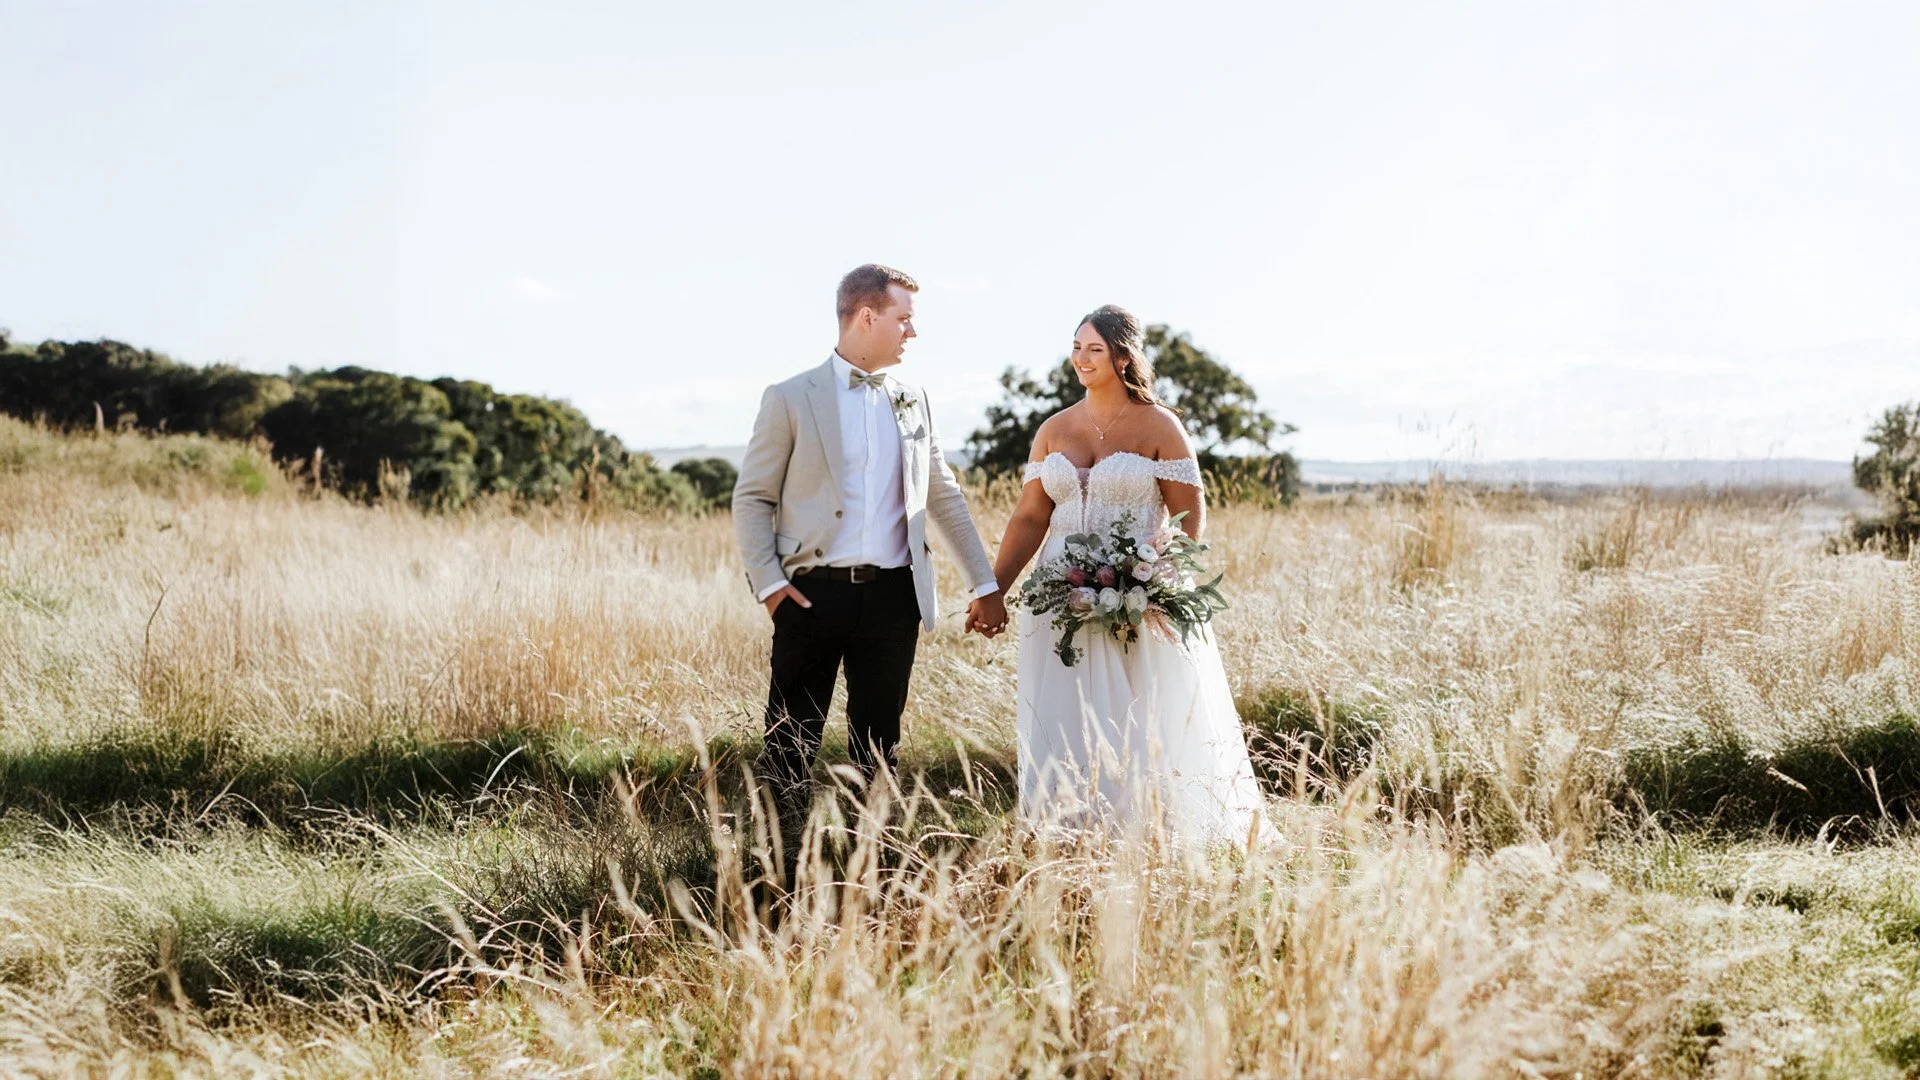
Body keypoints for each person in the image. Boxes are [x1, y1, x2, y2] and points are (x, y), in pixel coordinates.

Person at [989, 304, 1278, 848]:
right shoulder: (1053, 429)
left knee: (1141, 713)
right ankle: (1069, 834)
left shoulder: (1160, 425)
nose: (1081, 359)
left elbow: (1190, 517)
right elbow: (1030, 516)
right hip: (1060, 595)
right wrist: (994, 590)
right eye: (1076, 347)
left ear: (1123, 357)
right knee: (1065, 710)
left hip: (1140, 594)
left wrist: (1152, 579)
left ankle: (1150, 836)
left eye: (1094, 349)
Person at [732, 264, 1008, 824]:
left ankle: (873, 876)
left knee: (880, 749)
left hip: (892, 600)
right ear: (866, 317)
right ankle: (776, 875)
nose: (913, 333)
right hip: (809, 596)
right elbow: (753, 498)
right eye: (903, 319)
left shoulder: (913, 397)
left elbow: (944, 495)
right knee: (789, 745)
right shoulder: (789, 397)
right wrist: (770, 586)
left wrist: (985, 583)